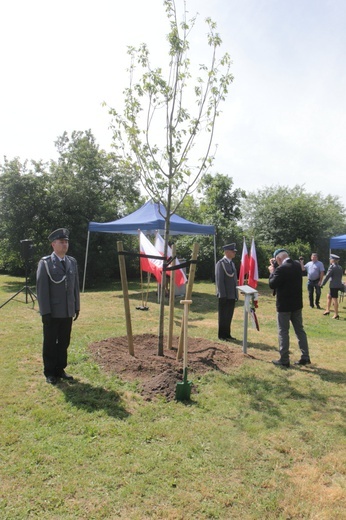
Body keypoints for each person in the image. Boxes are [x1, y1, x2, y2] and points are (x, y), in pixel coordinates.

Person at [36, 228, 80, 384]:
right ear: (53, 244)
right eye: (61, 242)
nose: (65, 244)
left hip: (67, 311)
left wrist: (76, 306)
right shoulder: (46, 263)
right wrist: (45, 312)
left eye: (66, 242)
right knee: (50, 342)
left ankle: (60, 369)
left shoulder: (71, 262)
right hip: (52, 312)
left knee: (63, 342)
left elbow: (75, 286)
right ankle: (49, 372)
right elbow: (42, 290)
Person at [268, 248, 310, 367]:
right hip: (297, 304)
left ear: (279, 259)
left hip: (284, 306)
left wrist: (272, 271)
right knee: (300, 331)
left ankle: (284, 359)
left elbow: (272, 284)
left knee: (283, 332)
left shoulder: (281, 269)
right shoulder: (297, 265)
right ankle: (305, 356)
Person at [215, 243, 238, 341]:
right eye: (233, 251)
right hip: (225, 295)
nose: (234, 253)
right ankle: (222, 335)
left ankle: (227, 334)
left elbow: (233, 280)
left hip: (231, 294)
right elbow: (219, 280)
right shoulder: (221, 263)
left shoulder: (231, 263)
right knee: (223, 316)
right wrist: (222, 294)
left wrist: (235, 294)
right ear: (227, 252)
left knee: (229, 315)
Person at [321, 254, 343, 319]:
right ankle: (327, 310)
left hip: (333, 286)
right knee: (329, 296)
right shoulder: (340, 267)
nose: (330, 260)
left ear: (333, 260)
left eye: (331, 259)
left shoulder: (332, 267)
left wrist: (322, 284)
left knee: (334, 299)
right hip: (338, 284)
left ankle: (336, 314)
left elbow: (327, 276)